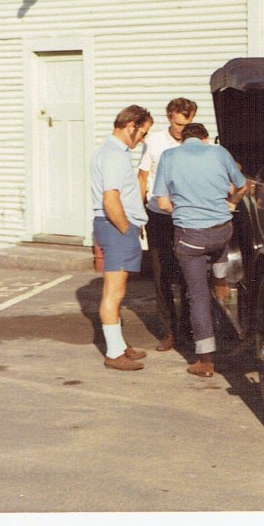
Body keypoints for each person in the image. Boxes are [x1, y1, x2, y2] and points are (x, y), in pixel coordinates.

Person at [152, 123, 247, 377]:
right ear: (205, 139)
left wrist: (182, 211)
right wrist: (231, 203)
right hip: (221, 231)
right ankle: (220, 280)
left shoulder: (169, 156)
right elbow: (242, 186)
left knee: (197, 296)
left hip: (190, 237)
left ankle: (205, 361)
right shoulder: (219, 152)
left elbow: (162, 202)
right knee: (219, 244)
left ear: (183, 139)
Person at [90, 105, 153, 371]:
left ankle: (119, 344)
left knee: (118, 292)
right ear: (131, 126)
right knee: (113, 293)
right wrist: (127, 228)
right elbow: (110, 198)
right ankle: (114, 353)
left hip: (114, 227)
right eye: (143, 132)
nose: (143, 139)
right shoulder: (114, 155)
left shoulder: (110, 151)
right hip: (116, 228)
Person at [137, 98, 198, 351]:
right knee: (162, 275)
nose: (182, 129)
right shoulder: (154, 142)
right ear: (169, 116)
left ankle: (189, 328)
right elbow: (141, 177)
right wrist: (138, 213)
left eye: (187, 123)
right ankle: (170, 331)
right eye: (177, 123)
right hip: (158, 216)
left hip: (188, 215)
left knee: (189, 274)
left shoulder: (197, 142)